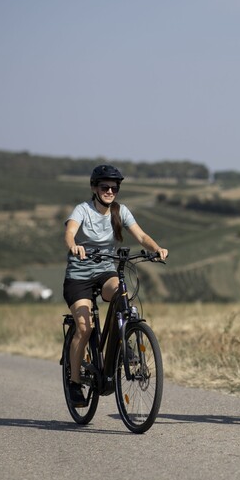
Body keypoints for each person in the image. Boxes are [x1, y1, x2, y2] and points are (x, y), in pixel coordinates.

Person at [62, 164, 168, 407]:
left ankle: (126, 339)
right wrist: (73, 246)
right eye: (105, 187)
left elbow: (141, 236)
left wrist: (157, 249)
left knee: (122, 293)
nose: (110, 191)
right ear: (94, 188)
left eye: (114, 188)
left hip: (105, 270)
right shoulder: (83, 210)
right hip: (79, 276)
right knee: (84, 327)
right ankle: (75, 382)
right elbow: (70, 232)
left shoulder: (120, 212)